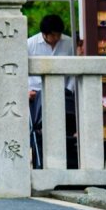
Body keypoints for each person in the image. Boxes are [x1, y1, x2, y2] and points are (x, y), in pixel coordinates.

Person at [27, 14, 75, 169]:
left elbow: (74, 70)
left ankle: (63, 163)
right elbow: (21, 70)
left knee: (63, 129)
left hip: (62, 94)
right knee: (38, 130)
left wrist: (68, 90)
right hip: (36, 94)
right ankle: (39, 162)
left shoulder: (69, 43)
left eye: (58, 35)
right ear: (44, 34)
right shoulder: (30, 44)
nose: (56, 38)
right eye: (53, 35)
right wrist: (26, 90)